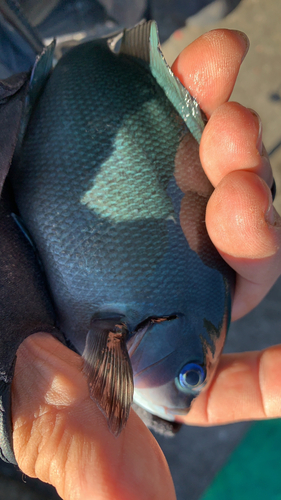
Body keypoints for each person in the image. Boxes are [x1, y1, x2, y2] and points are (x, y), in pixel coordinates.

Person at [11, 28, 281, 500]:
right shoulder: (112, 344)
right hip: (54, 79)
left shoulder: (119, 352)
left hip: (29, 94)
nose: (178, 403)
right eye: (189, 374)